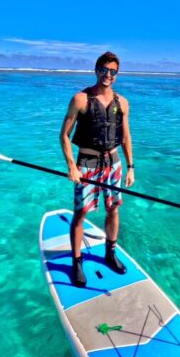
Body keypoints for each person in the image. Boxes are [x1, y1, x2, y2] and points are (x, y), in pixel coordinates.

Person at [60, 52, 135, 287]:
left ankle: (110, 254)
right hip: (87, 165)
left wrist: (131, 167)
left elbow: (125, 137)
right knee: (81, 213)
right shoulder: (80, 99)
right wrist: (72, 166)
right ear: (96, 70)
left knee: (113, 209)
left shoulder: (122, 102)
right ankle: (77, 261)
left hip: (113, 164)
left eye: (113, 72)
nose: (108, 75)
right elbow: (64, 135)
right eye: (104, 70)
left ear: (117, 74)